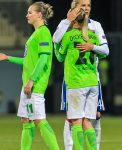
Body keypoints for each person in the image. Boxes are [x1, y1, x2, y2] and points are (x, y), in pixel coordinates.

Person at [0, 2, 59, 150]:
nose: (27, 15)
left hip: (35, 85)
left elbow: (44, 59)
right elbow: (28, 61)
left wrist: (32, 80)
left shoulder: (43, 32)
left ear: (39, 15)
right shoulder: (35, 34)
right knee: (26, 120)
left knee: (39, 120)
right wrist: (8, 58)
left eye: (30, 12)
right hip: (28, 85)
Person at [53, 0, 109, 149]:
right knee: (86, 120)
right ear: (74, 7)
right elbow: (103, 53)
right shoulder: (88, 33)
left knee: (76, 119)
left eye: (88, 5)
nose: (86, 8)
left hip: (76, 80)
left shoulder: (92, 26)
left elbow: (57, 49)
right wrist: (92, 46)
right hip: (91, 80)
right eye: (82, 5)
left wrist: (92, 47)